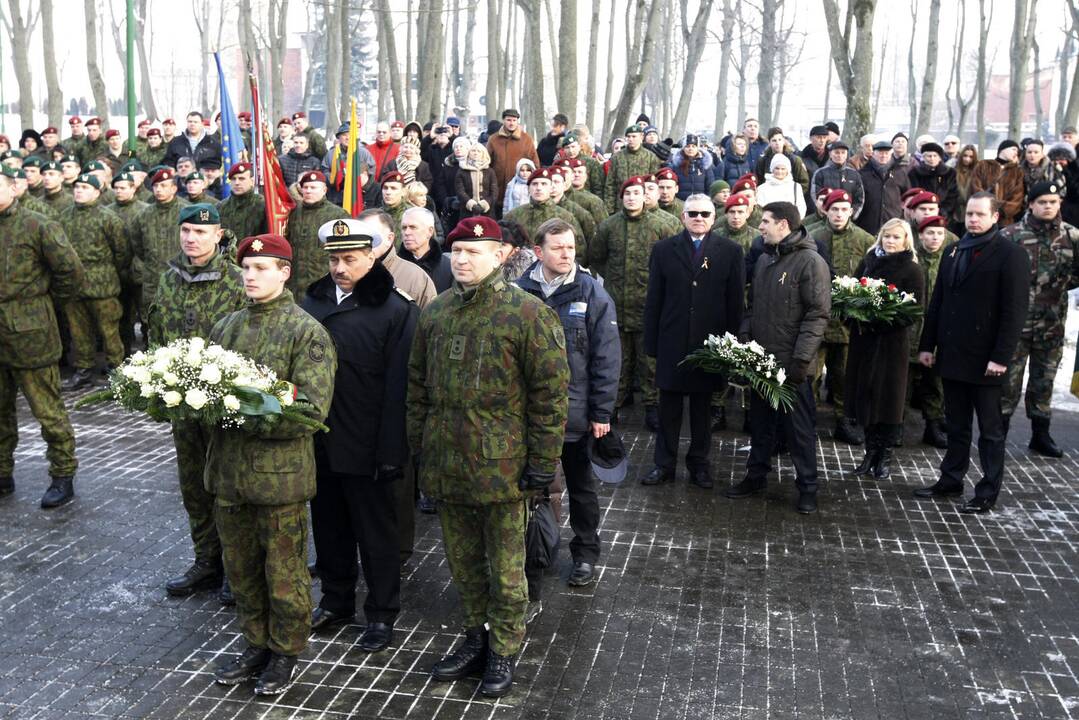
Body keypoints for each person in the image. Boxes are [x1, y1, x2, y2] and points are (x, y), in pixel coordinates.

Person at [407, 216, 569, 698]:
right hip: (447, 463)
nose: (461, 260)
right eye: (456, 251)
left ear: (500, 256)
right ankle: (475, 637)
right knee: (463, 562)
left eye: (473, 252)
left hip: (503, 469)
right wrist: (421, 443)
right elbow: (417, 385)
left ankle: (504, 647)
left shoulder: (528, 314)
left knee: (505, 567)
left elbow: (551, 396)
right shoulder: (436, 313)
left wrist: (542, 462)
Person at [209, 234, 336, 696]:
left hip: (278, 478)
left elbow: (311, 409)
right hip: (228, 474)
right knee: (240, 570)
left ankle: (285, 652)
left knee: (283, 574)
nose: (250, 275)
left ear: (285, 273)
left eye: (262, 268)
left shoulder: (306, 333)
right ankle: (255, 643)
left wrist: (242, 409)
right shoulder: (226, 326)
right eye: (246, 267)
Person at [301, 217, 418, 653]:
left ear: (372, 257)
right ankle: (336, 601)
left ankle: (383, 613)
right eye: (334, 258)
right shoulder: (311, 302)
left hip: (368, 445)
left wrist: (392, 451)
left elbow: (400, 388)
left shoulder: (396, 309)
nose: (339, 267)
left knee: (377, 535)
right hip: (319, 438)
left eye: (350, 258)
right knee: (328, 528)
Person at [146, 203, 246, 602]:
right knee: (193, 485)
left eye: (201, 232)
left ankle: (236, 570)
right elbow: (156, 332)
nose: (191, 238)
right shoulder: (169, 280)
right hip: (183, 408)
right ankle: (207, 560)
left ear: (219, 235)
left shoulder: (238, 282)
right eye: (186, 230)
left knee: (229, 487)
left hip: (225, 408)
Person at [516, 218, 619, 588]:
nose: (565, 254)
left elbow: (606, 358)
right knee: (531, 486)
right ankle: (535, 551)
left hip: (573, 414)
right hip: (527, 415)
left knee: (581, 487)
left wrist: (602, 412)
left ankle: (586, 553)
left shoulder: (591, 293)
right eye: (557, 247)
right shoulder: (519, 291)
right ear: (539, 252)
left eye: (570, 247)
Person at [915, 193, 1030, 514]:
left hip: (987, 360)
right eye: (969, 214)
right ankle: (951, 480)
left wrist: (1001, 357)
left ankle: (987, 491)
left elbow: (1014, 312)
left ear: (995, 217)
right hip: (953, 355)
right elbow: (938, 304)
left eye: (980, 214)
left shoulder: (1011, 255)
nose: (973, 219)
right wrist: (927, 345)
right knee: (957, 424)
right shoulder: (953, 251)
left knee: (991, 432)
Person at [725, 202, 830, 514]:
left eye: (766, 222)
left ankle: (807, 487)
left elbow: (817, 314)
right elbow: (753, 303)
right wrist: (745, 335)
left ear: (784, 225)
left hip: (791, 365)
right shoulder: (765, 259)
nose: (761, 227)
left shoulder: (810, 261)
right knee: (761, 425)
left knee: (798, 430)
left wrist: (801, 360)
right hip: (762, 360)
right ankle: (756, 475)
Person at [642, 194, 744, 488]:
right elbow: (654, 299)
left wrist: (731, 345)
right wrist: (652, 343)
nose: (699, 218)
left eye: (705, 213)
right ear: (682, 216)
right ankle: (664, 465)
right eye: (693, 213)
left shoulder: (730, 251)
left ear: (714, 218)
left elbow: (735, 301)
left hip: (709, 344)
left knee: (702, 412)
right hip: (672, 341)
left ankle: (699, 465)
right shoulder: (663, 250)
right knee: (669, 409)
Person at [0, 170, 85, 507]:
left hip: (31, 333)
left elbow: (71, 272)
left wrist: (42, 306)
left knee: (47, 410)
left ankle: (63, 475)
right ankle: (2, 473)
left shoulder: (37, 224)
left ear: (13, 189)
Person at [998, 182, 1079, 457]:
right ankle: (998, 433)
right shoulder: (1011, 235)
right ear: (1031, 204)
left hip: (1051, 324)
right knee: (1008, 381)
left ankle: (1040, 435)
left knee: (1044, 381)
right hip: (1015, 325)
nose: (1048, 206)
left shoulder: (1072, 236)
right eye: (1042, 202)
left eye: (1053, 202)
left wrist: (1059, 286)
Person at [587, 176, 673, 431]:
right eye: (627, 194)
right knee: (616, 360)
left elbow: (672, 261)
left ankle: (651, 407)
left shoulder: (661, 226)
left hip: (649, 305)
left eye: (637, 193)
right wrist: (614, 277)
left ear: (645, 196)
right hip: (616, 305)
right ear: (621, 197)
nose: (632, 197)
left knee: (649, 361)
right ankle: (612, 406)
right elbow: (596, 257)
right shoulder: (609, 226)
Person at [845, 219, 926, 478]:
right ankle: (869, 453)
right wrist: (855, 316)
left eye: (896, 237)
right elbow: (850, 295)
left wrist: (881, 319)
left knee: (888, 398)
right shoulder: (869, 262)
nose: (890, 241)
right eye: (886, 236)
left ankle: (885, 456)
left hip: (891, 345)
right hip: (864, 342)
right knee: (866, 396)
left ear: (906, 240)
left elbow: (913, 310)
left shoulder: (912, 269)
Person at [810, 189, 875, 445]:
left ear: (851, 211)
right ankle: (808, 419)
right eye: (834, 209)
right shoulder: (813, 237)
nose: (838, 214)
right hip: (818, 319)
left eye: (843, 209)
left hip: (848, 322)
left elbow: (872, 278)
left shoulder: (866, 240)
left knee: (845, 375)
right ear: (826, 210)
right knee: (812, 373)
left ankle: (843, 420)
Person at [57, 174, 130, 390]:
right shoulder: (64, 217)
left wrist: (105, 272)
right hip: (75, 286)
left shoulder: (108, 218)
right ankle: (83, 370)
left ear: (98, 192)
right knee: (79, 332)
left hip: (103, 286)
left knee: (109, 332)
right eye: (77, 187)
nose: (79, 190)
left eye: (86, 187)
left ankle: (117, 370)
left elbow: (122, 252)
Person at [907, 216, 950, 449]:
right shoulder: (912, 260)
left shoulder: (950, 261)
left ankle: (932, 426)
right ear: (920, 235)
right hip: (911, 330)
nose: (935, 238)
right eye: (930, 233)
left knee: (935, 383)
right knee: (904, 382)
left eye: (939, 234)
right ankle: (896, 425)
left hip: (937, 332)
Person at [130, 167, 190, 312]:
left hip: (180, 277)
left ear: (174, 188)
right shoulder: (143, 215)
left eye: (163, 185)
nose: (158, 189)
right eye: (156, 186)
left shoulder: (186, 212)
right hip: (152, 279)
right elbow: (137, 245)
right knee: (150, 319)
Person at [285, 170, 349, 293]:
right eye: (305, 187)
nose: (308, 191)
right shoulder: (293, 212)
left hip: (323, 286)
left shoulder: (338, 215)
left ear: (324, 190)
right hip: (294, 286)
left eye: (313, 187)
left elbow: (346, 251)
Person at [486, 109, 540, 217]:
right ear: (503, 121)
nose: (511, 123)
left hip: (520, 192)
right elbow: (487, 163)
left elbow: (535, 165)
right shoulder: (493, 139)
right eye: (508, 120)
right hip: (497, 188)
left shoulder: (526, 139)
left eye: (514, 120)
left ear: (517, 121)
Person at [603, 126, 661, 214]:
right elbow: (610, 185)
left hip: (643, 207)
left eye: (634, 136)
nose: (630, 139)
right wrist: (609, 209)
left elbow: (654, 185)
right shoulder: (617, 157)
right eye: (628, 137)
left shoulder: (650, 157)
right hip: (620, 206)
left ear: (641, 137)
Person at [969, 140, 1026, 226]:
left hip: (1005, 222)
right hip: (982, 217)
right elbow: (975, 187)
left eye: (1017, 151)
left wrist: (999, 209)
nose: (1016, 152)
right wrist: (986, 207)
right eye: (1013, 149)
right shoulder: (983, 165)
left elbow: (1017, 198)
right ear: (1003, 149)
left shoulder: (1017, 171)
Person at [400, 206, 453, 292]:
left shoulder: (448, 268)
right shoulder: (394, 267)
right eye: (404, 228)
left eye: (413, 227)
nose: (406, 232)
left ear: (430, 231)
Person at [217, 162, 268, 242]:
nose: (237, 183)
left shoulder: (262, 205)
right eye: (233, 179)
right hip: (227, 253)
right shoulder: (221, 207)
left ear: (252, 181)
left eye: (242, 179)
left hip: (254, 252)